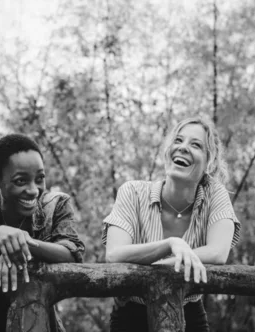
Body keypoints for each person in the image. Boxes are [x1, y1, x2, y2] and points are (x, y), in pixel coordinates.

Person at [103, 116, 241, 332]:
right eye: (178, 140)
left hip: (190, 311)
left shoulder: (215, 195)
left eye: (196, 145)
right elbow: (113, 254)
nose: (183, 148)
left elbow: (218, 253)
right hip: (131, 313)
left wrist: (158, 267)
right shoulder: (132, 192)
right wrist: (170, 244)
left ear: (209, 162)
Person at [0, 133, 84, 332]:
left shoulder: (57, 204)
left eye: (40, 178)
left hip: (41, 322)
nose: (34, 190)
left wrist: (23, 244)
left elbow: (72, 253)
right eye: (21, 181)